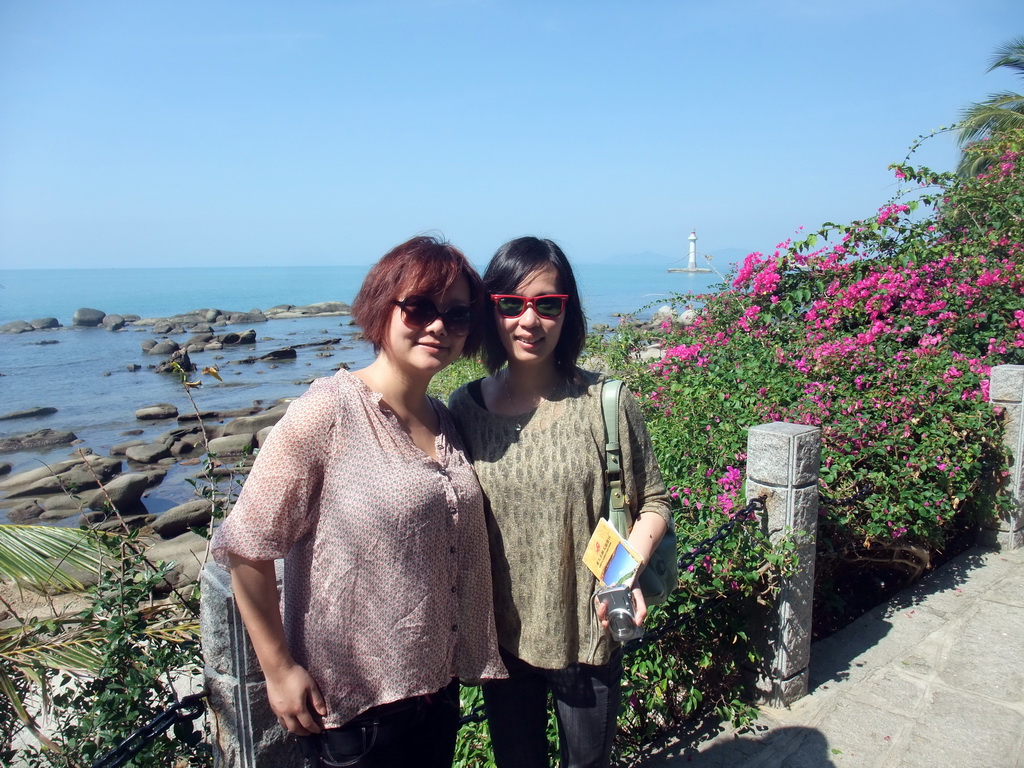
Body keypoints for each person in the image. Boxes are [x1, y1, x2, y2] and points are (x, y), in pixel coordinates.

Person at [212, 235, 506, 768]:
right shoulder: (329, 412)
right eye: (419, 308)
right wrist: (278, 672)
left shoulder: (446, 421)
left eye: (458, 315)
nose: (438, 325)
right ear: (381, 308)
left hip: (436, 695)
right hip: (354, 711)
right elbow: (245, 544)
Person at [448, 236, 672, 768]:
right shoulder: (466, 408)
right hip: (502, 640)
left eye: (547, 304)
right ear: (491, 312)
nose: (530, 321)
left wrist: (619, 578)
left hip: (587, 631)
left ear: (566, 312)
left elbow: (655, 503)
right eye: (511, 304)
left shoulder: (606, 403)